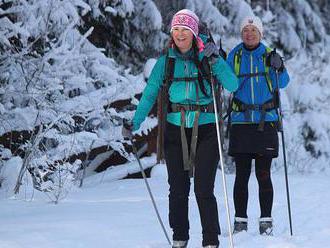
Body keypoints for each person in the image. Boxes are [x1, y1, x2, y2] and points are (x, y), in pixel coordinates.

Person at [124, 9, 238, 248]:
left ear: (194, 32)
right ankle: (180, 238)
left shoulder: (209, 58)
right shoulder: (165, 63)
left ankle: (210, 240)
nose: (180, 34)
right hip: (175, 130)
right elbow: (149, 95)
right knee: (177, 188)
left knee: (203, 188)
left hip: (206, 129)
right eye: (176, 29)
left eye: (185, 29)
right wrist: (134, 124)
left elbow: (232, 84)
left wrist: (216, 60)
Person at [226, 15, 290, 235]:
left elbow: (283, 83)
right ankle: (240, 221)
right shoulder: (235, 55)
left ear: (260, 34)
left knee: (264, 174)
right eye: (245, 30)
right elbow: (227, 83)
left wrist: (279, 67)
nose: (249, 34)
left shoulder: (269, 54)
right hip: (241, 121)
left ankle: (266, 220)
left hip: (266, 121)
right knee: (241, 174)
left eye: (253, 30)